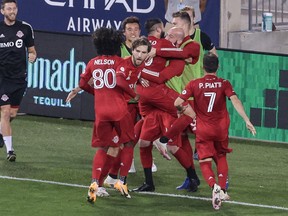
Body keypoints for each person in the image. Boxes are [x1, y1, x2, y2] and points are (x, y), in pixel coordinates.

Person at [173, 52, 256, 210]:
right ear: (218, 67)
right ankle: (223, 190)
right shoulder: (224, 83)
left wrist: (181, 110)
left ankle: (213, 186)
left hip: (203, 129)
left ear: (203, 67)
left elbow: (177, 102)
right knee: (221, 156)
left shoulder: (194, 83)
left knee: (205, 161)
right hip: (220, 129)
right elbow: (235, 100)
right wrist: (246, 119)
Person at [0, 0, 37, 161]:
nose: (12, 11)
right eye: (9, 9)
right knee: (5, 111)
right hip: (2, 77)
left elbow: (32, 50)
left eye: (14, 8)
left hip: (19, 78)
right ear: (2, 11)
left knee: (12, 113)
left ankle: (2, 131)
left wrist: (32, 57)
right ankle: (10, 151)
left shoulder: (25, 28)